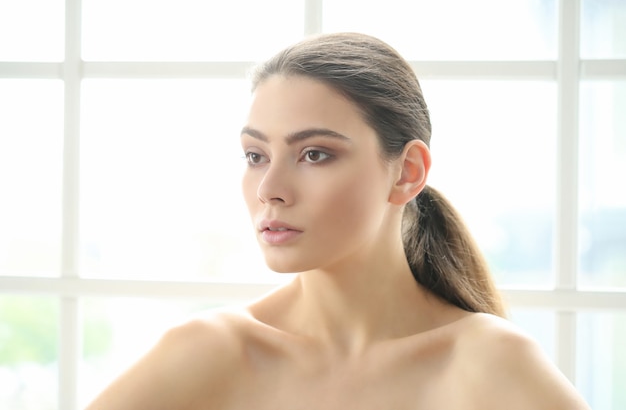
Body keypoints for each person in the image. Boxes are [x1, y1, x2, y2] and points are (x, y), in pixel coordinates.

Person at [85, 32, 591, 409]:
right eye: (255, 155)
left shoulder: (491, 365)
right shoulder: (208, 352)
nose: (269, 190)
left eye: (314, 155)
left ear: (407, 173)